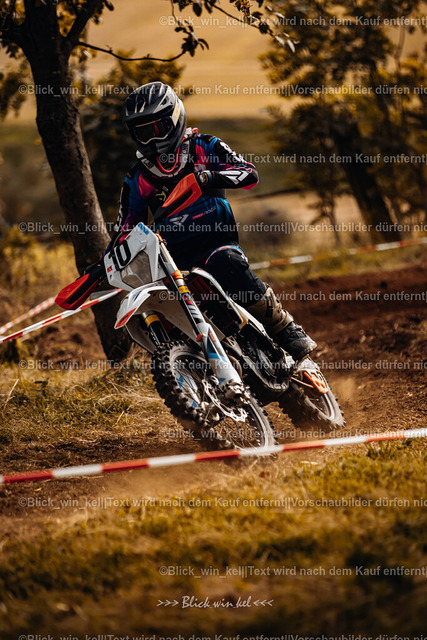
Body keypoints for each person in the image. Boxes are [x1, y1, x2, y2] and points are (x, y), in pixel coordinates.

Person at [108, 81, 316, 362]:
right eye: (143, 133)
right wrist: (103, 263)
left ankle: (285, 328)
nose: (152, 140)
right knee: (159, 299)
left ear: (175, 118)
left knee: (227, 263)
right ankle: (188, 365)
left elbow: (248, 174)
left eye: (158, 129)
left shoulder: (204, 146)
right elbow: (125, 228)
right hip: (171, 260)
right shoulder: (138, 178)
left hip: (216, 244)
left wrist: (206, 177)